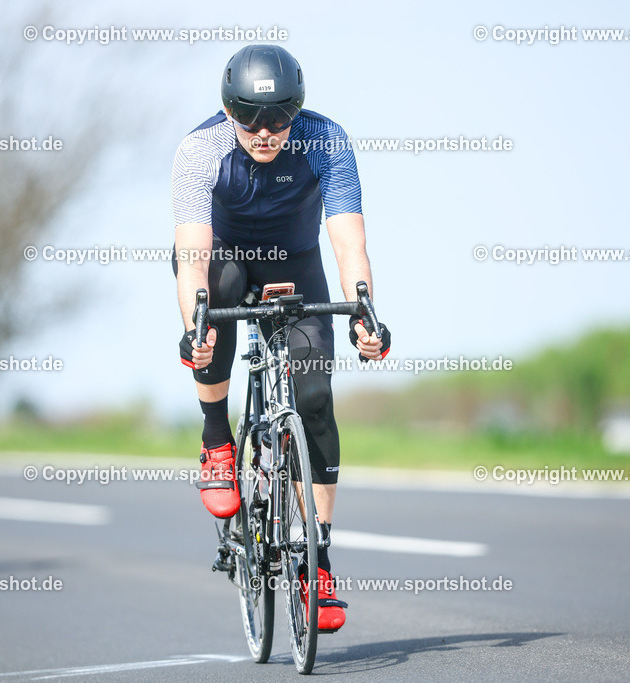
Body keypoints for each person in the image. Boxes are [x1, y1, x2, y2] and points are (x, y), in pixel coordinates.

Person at [172, 45, 391, 633]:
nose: (265, 133)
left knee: (315, 398)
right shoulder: (200, 149)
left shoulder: (326, 140)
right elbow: (192, 254)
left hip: (297, 264)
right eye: (250, 120)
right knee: (212, 304)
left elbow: (348, 242)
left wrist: (364, 311)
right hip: (226, 262)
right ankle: (217, 437)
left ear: (298, 110)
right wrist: (196, 324)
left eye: (279, 119)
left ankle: (316, 559)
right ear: (227, 112)